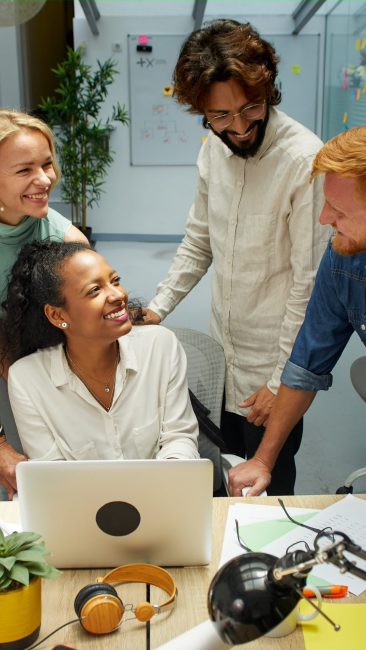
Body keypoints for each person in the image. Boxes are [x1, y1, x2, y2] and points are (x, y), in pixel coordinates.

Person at [138, 19, 328, 495]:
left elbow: (309, 283)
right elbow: (199, 240)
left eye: (250, 109)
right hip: (227, 356)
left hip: (274, 364)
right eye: (220, 116)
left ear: (268, 91)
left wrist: (280, 380)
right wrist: (158, 308)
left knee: (268, 484)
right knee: (222, 476)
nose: (239, 128)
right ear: (201, 110)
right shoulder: (213, 152)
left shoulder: (304, 160)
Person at [228, 125, 366, 496]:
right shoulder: (343, 259)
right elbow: (307, 363)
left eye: (337, 209)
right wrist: (262, 460)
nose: (323, 219)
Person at [1, 241, 199, 473]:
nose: (118, 295)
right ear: (56, 315)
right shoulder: (28, 378)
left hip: (161, 496)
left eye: (115, 280)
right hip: (77, 506)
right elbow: (51, 473)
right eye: (94, 290)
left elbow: (179, 437)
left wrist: (169, 475)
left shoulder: (160, 345)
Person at [0, 109, 88, 498]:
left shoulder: (64, 240)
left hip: (41, 372)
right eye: (24, 171)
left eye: (47, 164)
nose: (45, 179)